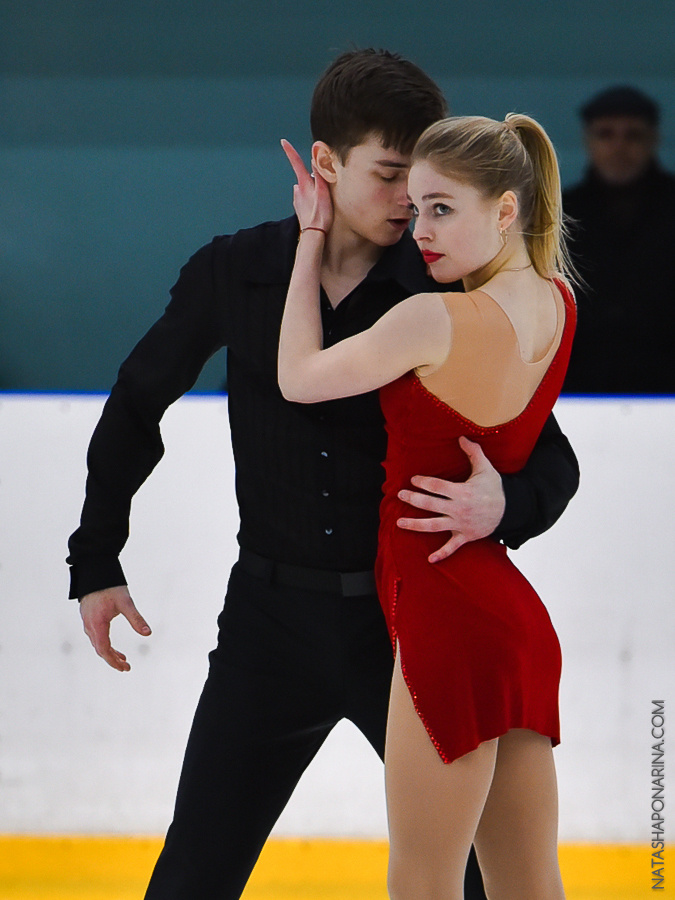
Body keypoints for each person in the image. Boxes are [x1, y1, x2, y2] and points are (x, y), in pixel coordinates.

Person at [68, 50, 579, 899]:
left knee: (478, 879)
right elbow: (135, 404)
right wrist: (96, 558)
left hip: (404, 619)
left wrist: (502, 503)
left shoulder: (438, 288)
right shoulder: (235, 270)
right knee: (193, 874)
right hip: (271, 623)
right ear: (327, 164)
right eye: (390, 178)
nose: (410, 209)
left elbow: (546, 452)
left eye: (423, 188)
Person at [279, 111, 576, 899]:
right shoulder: (558, 305)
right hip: (508, 620)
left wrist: (310, 239)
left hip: (447, 614)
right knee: (525, 881)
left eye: (443, 208)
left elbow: (298, 377)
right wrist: (504, 499)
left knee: (421, 879)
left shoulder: (429, 321)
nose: (420, 231)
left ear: (506, 210)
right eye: (416, 209)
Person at [563, 85, 675, 393]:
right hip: (578, 389)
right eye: (606, 134)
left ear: (653, 139)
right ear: (588, 140)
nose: (619, 146)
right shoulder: (558, 215)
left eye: (633, 135)